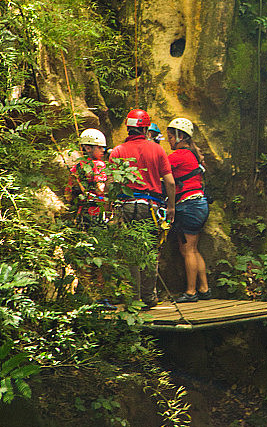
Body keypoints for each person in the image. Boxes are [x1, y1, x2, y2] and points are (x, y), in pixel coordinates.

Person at [109, 109, 176, 307]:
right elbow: (170, 182)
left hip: (126, 206)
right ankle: (149, 297)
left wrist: (108, 205)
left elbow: (110, 183)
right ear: (146, 129)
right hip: (151, 207)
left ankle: (134, 298)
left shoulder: (118, 151)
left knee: (130, 254)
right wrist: (171, 207)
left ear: (128, 128)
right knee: (149, 251)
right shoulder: (157, 149)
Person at [166, 117, 211, 303]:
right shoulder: (192, 154)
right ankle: (204, 288)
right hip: (199, 204)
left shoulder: (178, 156)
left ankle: (191, 292)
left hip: (189, 205)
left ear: (179, 137)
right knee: (193, 248)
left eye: (170, 137)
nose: (168, 141)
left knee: (188, 251)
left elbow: (159, 170)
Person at [65, 128, 109, 227]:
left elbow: (68, 193)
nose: (103, 150)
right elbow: (100, 189)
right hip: (97, 210)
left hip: (80, 211)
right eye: (99, 147)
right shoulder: (99, 165)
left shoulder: (77, 167)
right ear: (88, 148)